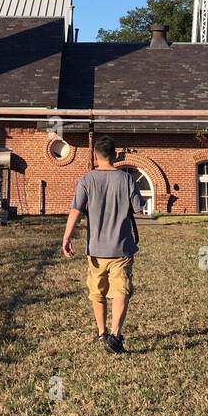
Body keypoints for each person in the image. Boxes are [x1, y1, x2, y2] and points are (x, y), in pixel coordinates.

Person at [61, 136, 143, 355]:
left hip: (96, 250)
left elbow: (76, 210)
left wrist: (66, 237)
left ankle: (101, 332)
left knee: (97, 292)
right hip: (121, 248)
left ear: (96, 156)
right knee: (121, 292)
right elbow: (139, 209)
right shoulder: (127, 179)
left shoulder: (86, 180)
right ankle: (115, 336)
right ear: (115, 154)